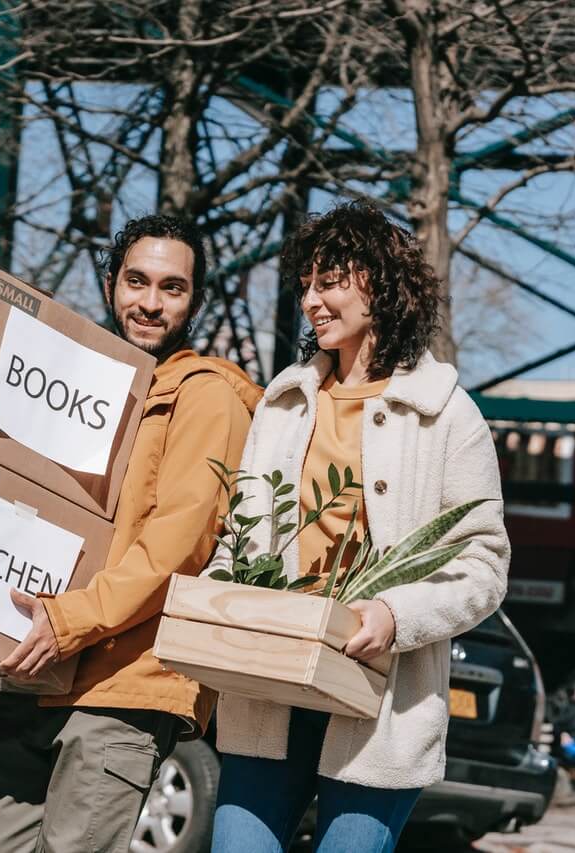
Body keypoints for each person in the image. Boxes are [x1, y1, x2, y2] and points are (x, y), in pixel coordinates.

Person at [0, 214, 262, 853]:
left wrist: (67, 622)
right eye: (137, 281)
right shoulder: (85, 388)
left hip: (121, 688)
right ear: (111, 284)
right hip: (33, 675)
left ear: (194, 301)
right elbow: (5, 518)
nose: (150, 302)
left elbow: (177, 547)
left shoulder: (207, 397)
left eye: (173, 288)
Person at [206, 199, 510, 853]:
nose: (312, 299)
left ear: (379, 282)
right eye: (307, 284)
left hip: (382, 701)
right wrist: (213, 601)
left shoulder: (446, 414)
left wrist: (396, 615)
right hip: (271, 688)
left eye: (330, 280)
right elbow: (242, 530)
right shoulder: (283, 403)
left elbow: (483, 564)